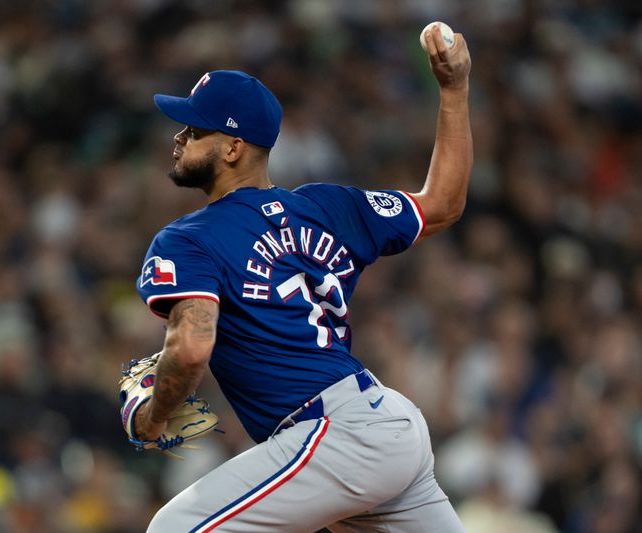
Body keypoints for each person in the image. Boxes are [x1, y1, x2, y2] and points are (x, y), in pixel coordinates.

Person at [133, 25, 472, 533]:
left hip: (336, 434)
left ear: (232, 148)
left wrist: (154, 418)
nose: (179, 137)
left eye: (195, 129)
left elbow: (190, 348)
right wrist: (455, 91)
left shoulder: (189, 238)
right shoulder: (327, 207)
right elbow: (442, 204)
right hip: (384, 426)